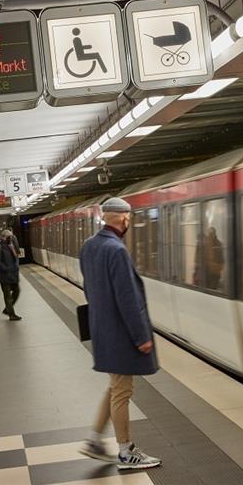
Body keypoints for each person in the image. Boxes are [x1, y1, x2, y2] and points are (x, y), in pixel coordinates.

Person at [78, 197, 161, 470]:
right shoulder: (116, 250)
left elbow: (90, 290)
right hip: (120, 332)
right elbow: (128, 299)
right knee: (122, 392)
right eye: (130, 219)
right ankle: (126, 451)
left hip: (102, 328)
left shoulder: (89, 247)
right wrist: (141, 337)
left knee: (116, 387)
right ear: (124, 219)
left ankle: (93, 440)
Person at [0, 229, 22, 321]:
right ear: (4, 237)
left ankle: (7, 309)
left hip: (13, 274)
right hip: (4, 275)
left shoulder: (11, 245)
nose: (12, 238)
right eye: (10, 237)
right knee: (7, 296)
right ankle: (11, 314)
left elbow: (16, 254)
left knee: (17, 291)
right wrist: (6, 269)